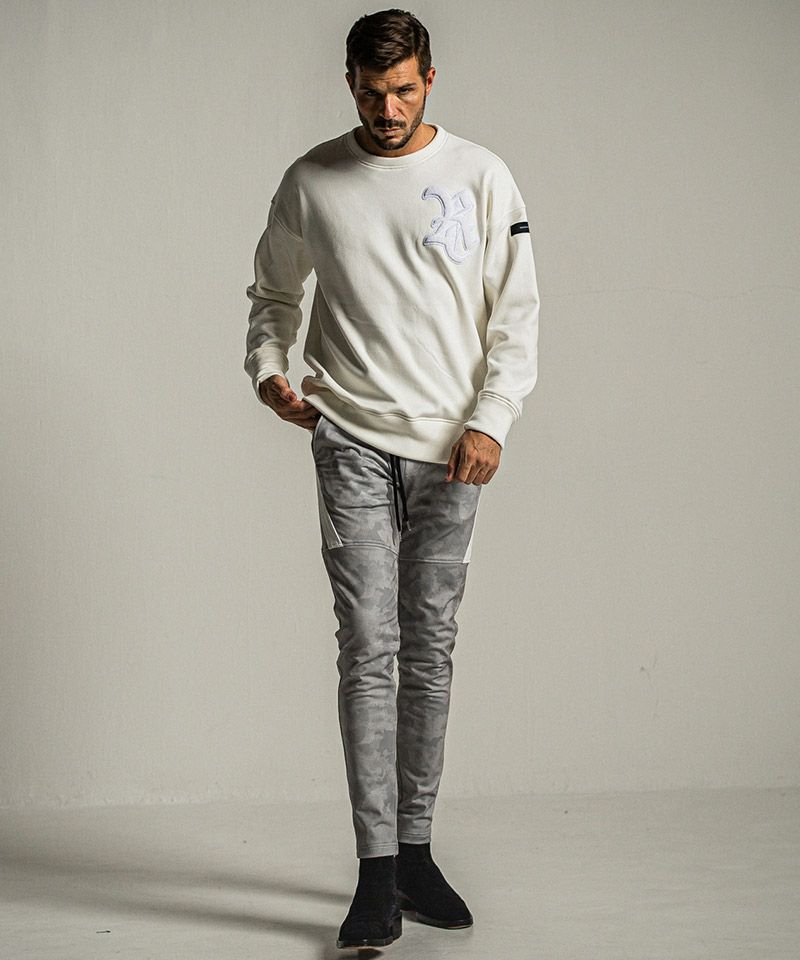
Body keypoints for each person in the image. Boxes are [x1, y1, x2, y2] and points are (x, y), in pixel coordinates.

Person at [244, 8, 539, 950]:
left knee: (431, 646)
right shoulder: (312, 180)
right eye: (372, 93)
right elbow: (273, 295)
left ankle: (415, 852)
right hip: (353, 440)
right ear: (350, 84)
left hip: (453, 449)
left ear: (429, 80)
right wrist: (269, 369)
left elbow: (515, 314)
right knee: (368, 646)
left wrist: (493, 419)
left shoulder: (481, 175)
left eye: (404, 90)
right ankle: (376, 873)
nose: (388, 109)